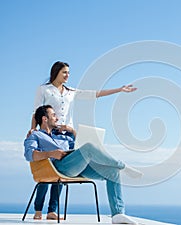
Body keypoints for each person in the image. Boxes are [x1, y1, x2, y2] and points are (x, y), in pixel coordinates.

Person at [27, 61, 137, 220]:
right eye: (64, 72)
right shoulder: (44, 90)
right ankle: (38, 210)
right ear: (56, 72)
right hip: (50, 133)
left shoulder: (71, 91)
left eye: (68, 72)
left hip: (68, 136)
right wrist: (34, 130)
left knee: (63, 174)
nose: (67, 75)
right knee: (47, 172)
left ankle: (52, 210)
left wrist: (119, 89)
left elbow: (94, 94)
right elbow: (36, 112)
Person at [24, 105, 142, 224]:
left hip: (76, 166)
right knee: (89, 147)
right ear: (45, 119)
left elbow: (78, 147)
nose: (57, 118)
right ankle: (123, 166)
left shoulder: (63, 135)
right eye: (54, 115)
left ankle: (118, 214)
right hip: (59, 167)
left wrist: (72, 132)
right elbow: (29, 155)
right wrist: (51, 153)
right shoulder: (36, 135)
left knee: (113, 173)